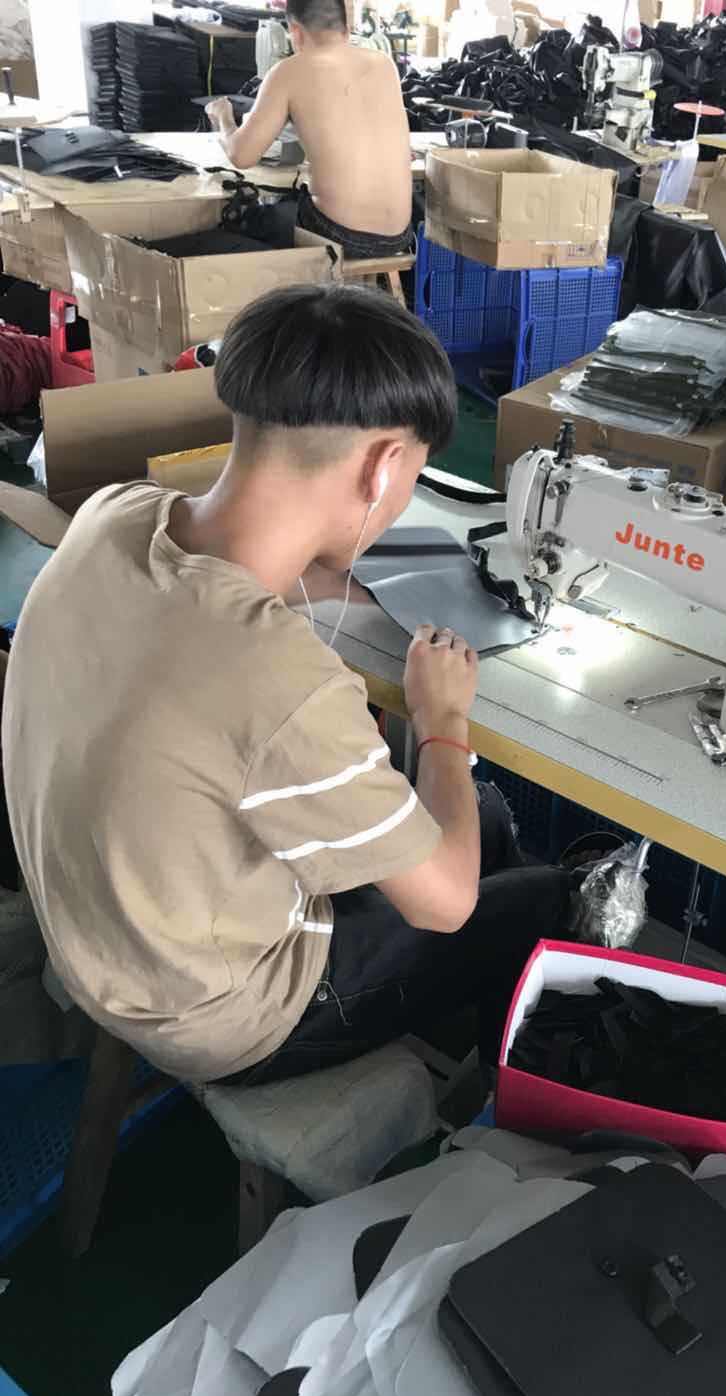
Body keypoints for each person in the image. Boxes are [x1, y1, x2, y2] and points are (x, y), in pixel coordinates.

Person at [3, 284, 570, 1086]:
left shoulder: (114, 516)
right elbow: (444, 905)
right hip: (221, 1014)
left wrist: (338, 582)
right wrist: (442, 721)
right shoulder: (279, 679)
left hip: (105, 934)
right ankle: (477, 1109)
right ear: (383, 465)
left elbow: (215, 603)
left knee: (479, 823)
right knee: (542, 896)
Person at [205, 0, 414, 260]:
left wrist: (223, 118)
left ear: (295, 31)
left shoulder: (289, 70)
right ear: (346, 27)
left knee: (240, 218)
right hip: (398, 236)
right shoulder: (384, 64)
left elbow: (241, 156)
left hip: (339, 234)